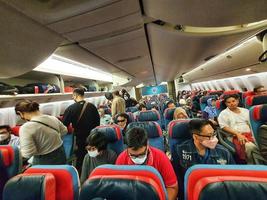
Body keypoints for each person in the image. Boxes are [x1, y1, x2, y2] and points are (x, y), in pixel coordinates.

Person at [172, 119, 235, 200]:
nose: (213, 139)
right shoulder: (179, 151)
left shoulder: (223, 152)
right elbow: (178, 181)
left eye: (214, 134)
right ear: (195, 136)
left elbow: (232, 179)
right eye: (209, 136)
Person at [116, 127, 178, 200]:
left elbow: (172, 187)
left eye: (141, 154)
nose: (137, 159)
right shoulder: (121, 160)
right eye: (133, 155)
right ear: (126, 148)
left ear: (147, 144)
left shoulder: (161, 157)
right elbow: (119, 189)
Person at [15, 100, 67, 165]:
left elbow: (28, 154)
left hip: (44, 160)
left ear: (20, 113)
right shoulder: (53, 118)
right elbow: (64, 131)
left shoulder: (26, 128)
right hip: (60, 153)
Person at [63, 88, 100, 173]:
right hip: (93, 137)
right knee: (93, 156)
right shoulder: (92, 106)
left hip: (80, 138)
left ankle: (82, 174)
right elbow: (97, 123)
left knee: (81, 157)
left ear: (75, 95)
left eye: (73, 96)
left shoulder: (70, 108)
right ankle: (95, 172)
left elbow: (64, 125)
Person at [218, 94, 259, 164]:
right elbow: (223, 126)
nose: (231, 103)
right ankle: (250, 163)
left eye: (233, 101)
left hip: (250, 133)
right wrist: (237, 134)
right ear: (225, 104)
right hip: (234, 135)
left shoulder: (246, 111)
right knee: (250, 146)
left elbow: (251, 123)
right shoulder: (223, 113)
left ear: (237, 101)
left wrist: (253, 134)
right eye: (229, 102)